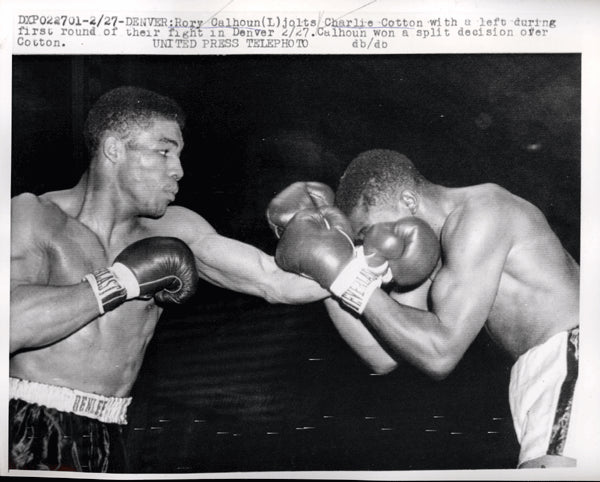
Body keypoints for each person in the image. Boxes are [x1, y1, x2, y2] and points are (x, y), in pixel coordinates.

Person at [9, 86, 328, 473]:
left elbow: (275, 281)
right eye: (163, 151)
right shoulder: (33, 216)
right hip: (25, 429)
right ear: (113, 148)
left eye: (178, 154)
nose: (178, 169)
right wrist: (122, 281)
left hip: (112, 434)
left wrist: (364, 258)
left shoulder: (177, 228)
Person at [273, 149, 580, 469]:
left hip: (572, 353)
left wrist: (345, 275)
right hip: (544, 370)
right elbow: (384, 355)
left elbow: (440, 353)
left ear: (407, 200)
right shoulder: (431, 257)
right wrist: (326, 278)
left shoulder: (484, 211)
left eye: (365, 232)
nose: (370, 245)